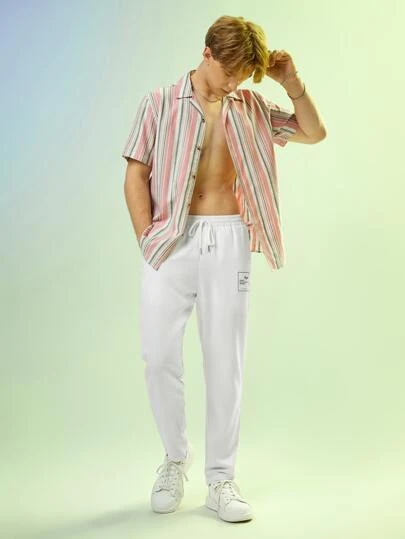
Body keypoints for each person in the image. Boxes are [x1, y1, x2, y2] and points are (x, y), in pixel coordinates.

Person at [121, 15, 326, 523]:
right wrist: (148, 239)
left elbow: (313, 132)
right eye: (229, 71)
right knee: (158, 356)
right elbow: (136, 173)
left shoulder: (251, 106)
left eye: (243, 75)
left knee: (224, 360)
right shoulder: (159, 102)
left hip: (229, 237)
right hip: (170, 240)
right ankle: (175, 460)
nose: (234, 83)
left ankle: (220, 478)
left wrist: (292, 82)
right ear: (207, 52)